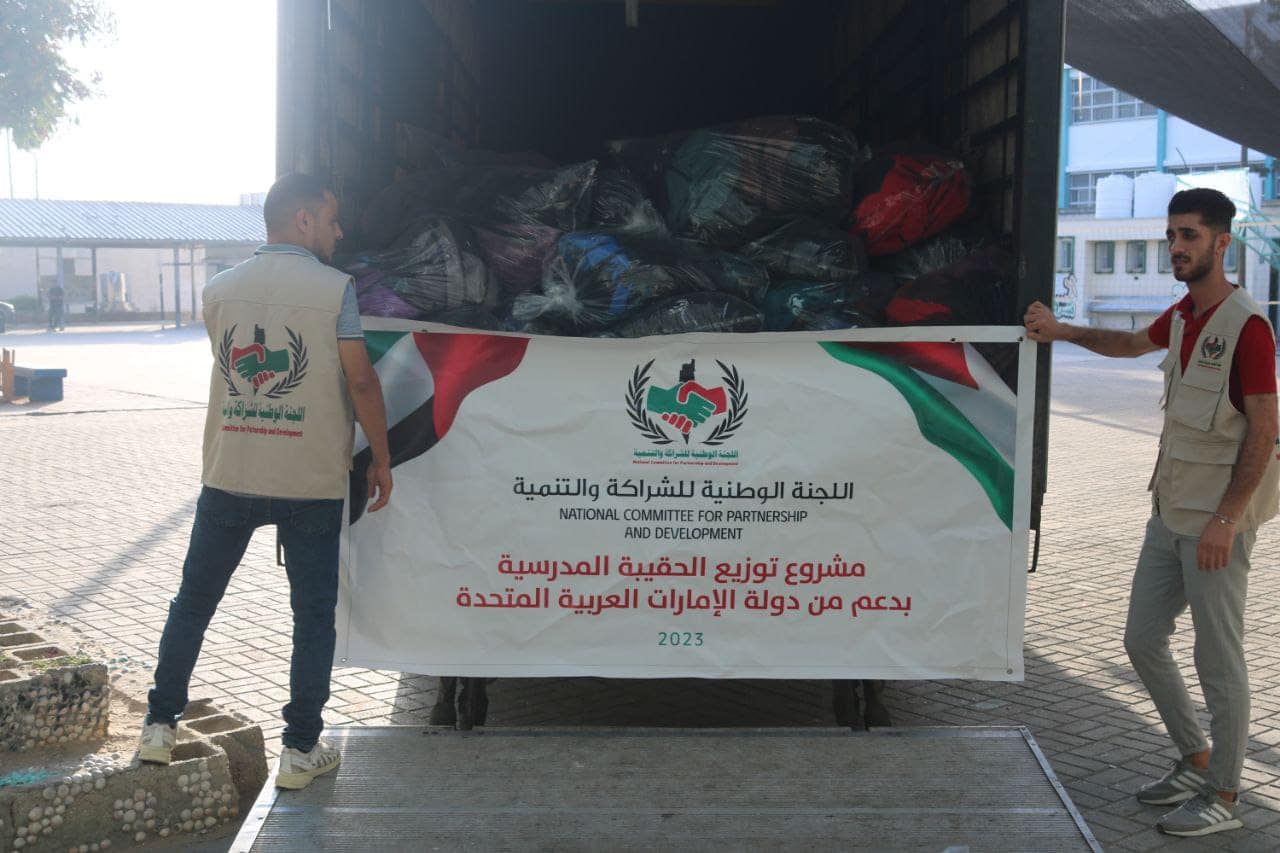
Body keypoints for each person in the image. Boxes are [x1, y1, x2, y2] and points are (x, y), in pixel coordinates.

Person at [1024, 187, 1278, 837]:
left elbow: (1264, 429)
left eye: (1189, 235)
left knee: (1218, 659)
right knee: (1141, 639)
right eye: (1171, 235)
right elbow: (1130, 344)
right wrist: (1060, 332)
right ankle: (1195, 757)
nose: (1176, 246)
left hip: (1215, 523)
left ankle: (1225, 793)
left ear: (1222, 242)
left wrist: (1228, 519)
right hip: (1169, 511)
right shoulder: (1186, 315)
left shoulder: (1247, 325)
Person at [137, 173, 394, 791]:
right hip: (310, 480)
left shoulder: (219, 289)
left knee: (193, 603)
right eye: (331, 218)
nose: (339, 231)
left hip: (232, 472)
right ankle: (300, 750)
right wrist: (381, 458)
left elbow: (232, 372)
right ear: (304, 220)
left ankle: (159, 728)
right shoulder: (335, 290)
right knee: (312, 616)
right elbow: (360, 381)